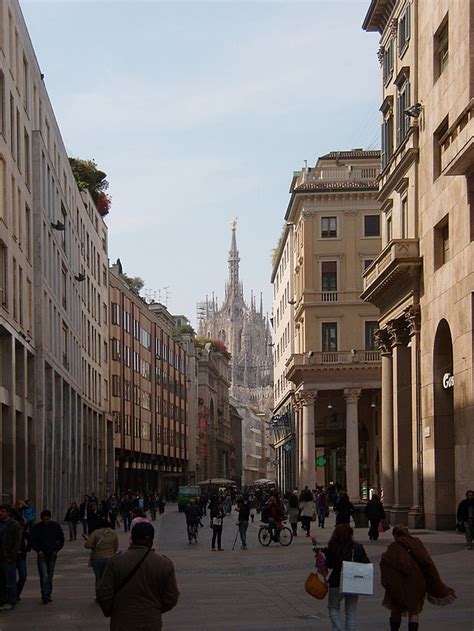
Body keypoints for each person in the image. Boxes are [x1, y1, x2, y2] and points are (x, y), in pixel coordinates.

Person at [96, 522, 178, 630]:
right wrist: (155, 609)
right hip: (150, 621)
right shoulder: (164, 564)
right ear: (151, 540)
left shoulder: (116, 561)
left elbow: (103, 593)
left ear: (132, 539)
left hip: (122, 620)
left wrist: (112, 611)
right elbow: (171, 596)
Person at [380, 524, 456, 631]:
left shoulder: (393, 547)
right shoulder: (417, 544)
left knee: (395, 609)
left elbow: (384, 565)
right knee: (413, 611)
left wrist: (387, 583)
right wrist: (434, 582)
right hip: (415, 582)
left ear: (395, 535)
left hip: (397, 585)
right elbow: (428, 563)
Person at [324, 524, 370, 631]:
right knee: (351, 611)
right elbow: (366, 563)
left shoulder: (333, 546)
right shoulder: (358, 547)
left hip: (336, 581)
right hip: (353, 582)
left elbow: (330, 564)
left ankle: (338, 628)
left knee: (333, 607)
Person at [30, 509, 65, 604]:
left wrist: (56, 550)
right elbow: (32, 540)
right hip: (42, 554)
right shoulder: (37, 528)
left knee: (50, 575)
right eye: (44, 519)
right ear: (41, 519)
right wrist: (38, 550)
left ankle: (48, 593)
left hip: (52, 554)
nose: (46, 521)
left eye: (47, 519)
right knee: (44, 575)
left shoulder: (55, 526)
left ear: (50, 518)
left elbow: (61, 540)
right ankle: (44, 595)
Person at [84, 517, 119, 589]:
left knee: (98, 577)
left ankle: (98, 593)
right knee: (108, 578)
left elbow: (88, 545)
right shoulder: (114, 533)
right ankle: (107, 593)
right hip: (109, 557)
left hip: (97, 558)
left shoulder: (95, 532)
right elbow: (116, 547)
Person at [0, 504, 22, 610]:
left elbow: (17, 542)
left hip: (8, 557)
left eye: (3, 511)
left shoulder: (14, 525)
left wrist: (11, 556)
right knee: (1, 581)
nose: (1, 513)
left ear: (8, 513)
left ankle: (11, 600)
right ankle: (2, 600)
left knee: (10, 580)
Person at [11, 506, 31, 602]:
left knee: (23, 576)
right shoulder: (7, 526)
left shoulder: (20, 526)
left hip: (21, 555)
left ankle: (16, 593)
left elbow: (29, 539)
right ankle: (12, 596)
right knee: (10, 577)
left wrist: (26, 549)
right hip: (10, 556)